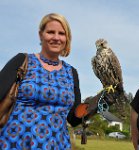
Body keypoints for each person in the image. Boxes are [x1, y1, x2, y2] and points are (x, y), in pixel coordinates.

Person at [0, 13, 83, 149]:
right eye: (51, 32)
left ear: (67, 38)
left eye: (61, 33)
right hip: (15, 143)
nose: (56, 37)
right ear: (41, 35)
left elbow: (73, 119)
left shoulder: (71, 72)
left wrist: (99, 104)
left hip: (56, 145)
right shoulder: (22, 61)